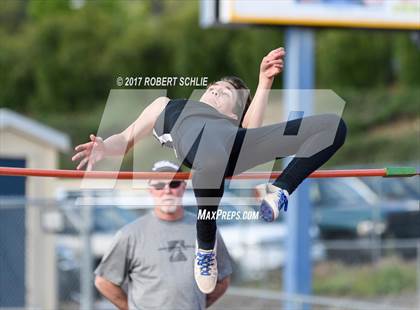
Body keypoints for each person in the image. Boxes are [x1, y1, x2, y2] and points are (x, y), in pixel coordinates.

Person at [73, 47, 347, 293]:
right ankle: (206, 248)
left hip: (234, 146)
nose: (216, 90)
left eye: (226, 92)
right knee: (212, 157)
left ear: (233, 114)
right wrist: (104, 148)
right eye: (214, 86)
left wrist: (264, 82)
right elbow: (125, 138)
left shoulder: (231, 123)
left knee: (334, 126)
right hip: (202, 149)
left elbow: (250, 131)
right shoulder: (166, 106)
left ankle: (280, 190)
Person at [94, 160, 232, 310]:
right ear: (150, 189)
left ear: (183, 187)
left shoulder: (206, 229)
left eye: (174, 184)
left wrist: (197, 305)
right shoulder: (130, 234)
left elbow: (222, 279)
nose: (167, 190)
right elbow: (103, 282)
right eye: (159, 185)